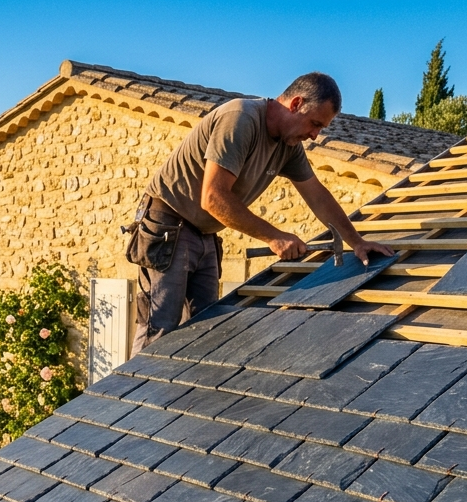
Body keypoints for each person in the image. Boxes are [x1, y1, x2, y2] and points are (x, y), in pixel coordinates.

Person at [127, 72, 394, 353]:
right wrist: (274, 236)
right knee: (158, 331)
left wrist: (357, 242)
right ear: (296, 104)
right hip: (169, 226)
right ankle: (128, 398)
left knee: (203, 332)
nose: (315, 136)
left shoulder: (288, 146)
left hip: (205, 234)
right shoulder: (240, 119)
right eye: (315, 123)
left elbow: (317, 195)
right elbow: (213, 197)